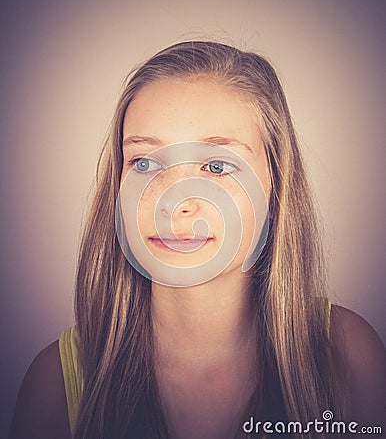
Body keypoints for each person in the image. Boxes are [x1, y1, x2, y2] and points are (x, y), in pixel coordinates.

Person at [10, 41, 386, 439]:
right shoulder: (53, 386)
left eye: (217, 166)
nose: (173, 204)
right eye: (145, 162)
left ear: (276, 190)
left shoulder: (348, 358)